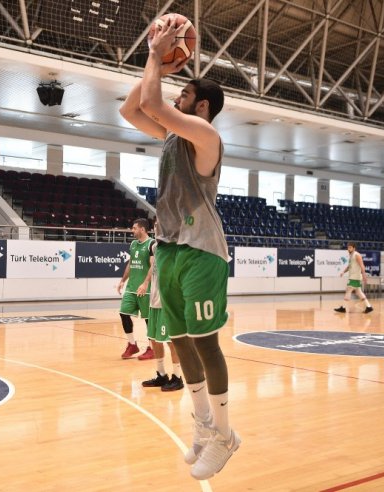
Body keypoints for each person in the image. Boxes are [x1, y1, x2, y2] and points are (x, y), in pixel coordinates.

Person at [119, 16, 240, 480]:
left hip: (202, 250)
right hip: (168, 247)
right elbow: (132, 111)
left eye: (184, 95)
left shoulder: (206, 137)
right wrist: (161, 68)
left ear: (202, 105)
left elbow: (150, 101)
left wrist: (156, 56)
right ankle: (204, 428)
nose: (175, 99)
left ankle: (226, 436)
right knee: (179, 339)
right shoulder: (172, 136)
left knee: (205, 343)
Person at [141, 237, 184, 391]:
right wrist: (145, 282)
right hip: (154, 301)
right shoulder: (155, 247)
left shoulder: (175, 248)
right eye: (156, 225)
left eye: (160, 225)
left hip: (167, 302)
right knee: (154, 339)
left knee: (171, 341)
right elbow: (153, 267)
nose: (157, 227)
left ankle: (177, 377)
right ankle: (161, 374)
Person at [116, 218, 154, 359]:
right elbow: (131, 264)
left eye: (134, 228)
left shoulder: (151, 244)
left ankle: (152, 348)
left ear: (142, 229)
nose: (132, 230)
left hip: (146, 289)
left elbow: (153, 266)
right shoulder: (133, 244)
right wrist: (122, 281)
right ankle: (132, 345)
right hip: (131, 287)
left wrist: (145, 284)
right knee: (123, 313)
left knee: (148, 319)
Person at [334, 242, 373, 314]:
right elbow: (349, 266)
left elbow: (362, 265)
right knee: (359, 292)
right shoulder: (351, 256)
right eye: (348, 247)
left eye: (350, 247)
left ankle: (343, 308)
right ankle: (369, 306)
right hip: (354, 277)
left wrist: (364, 275)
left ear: (354, 248)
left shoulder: (357, 255)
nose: (348, 249)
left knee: (348, 290)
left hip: (354, 277)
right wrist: (343, 272)